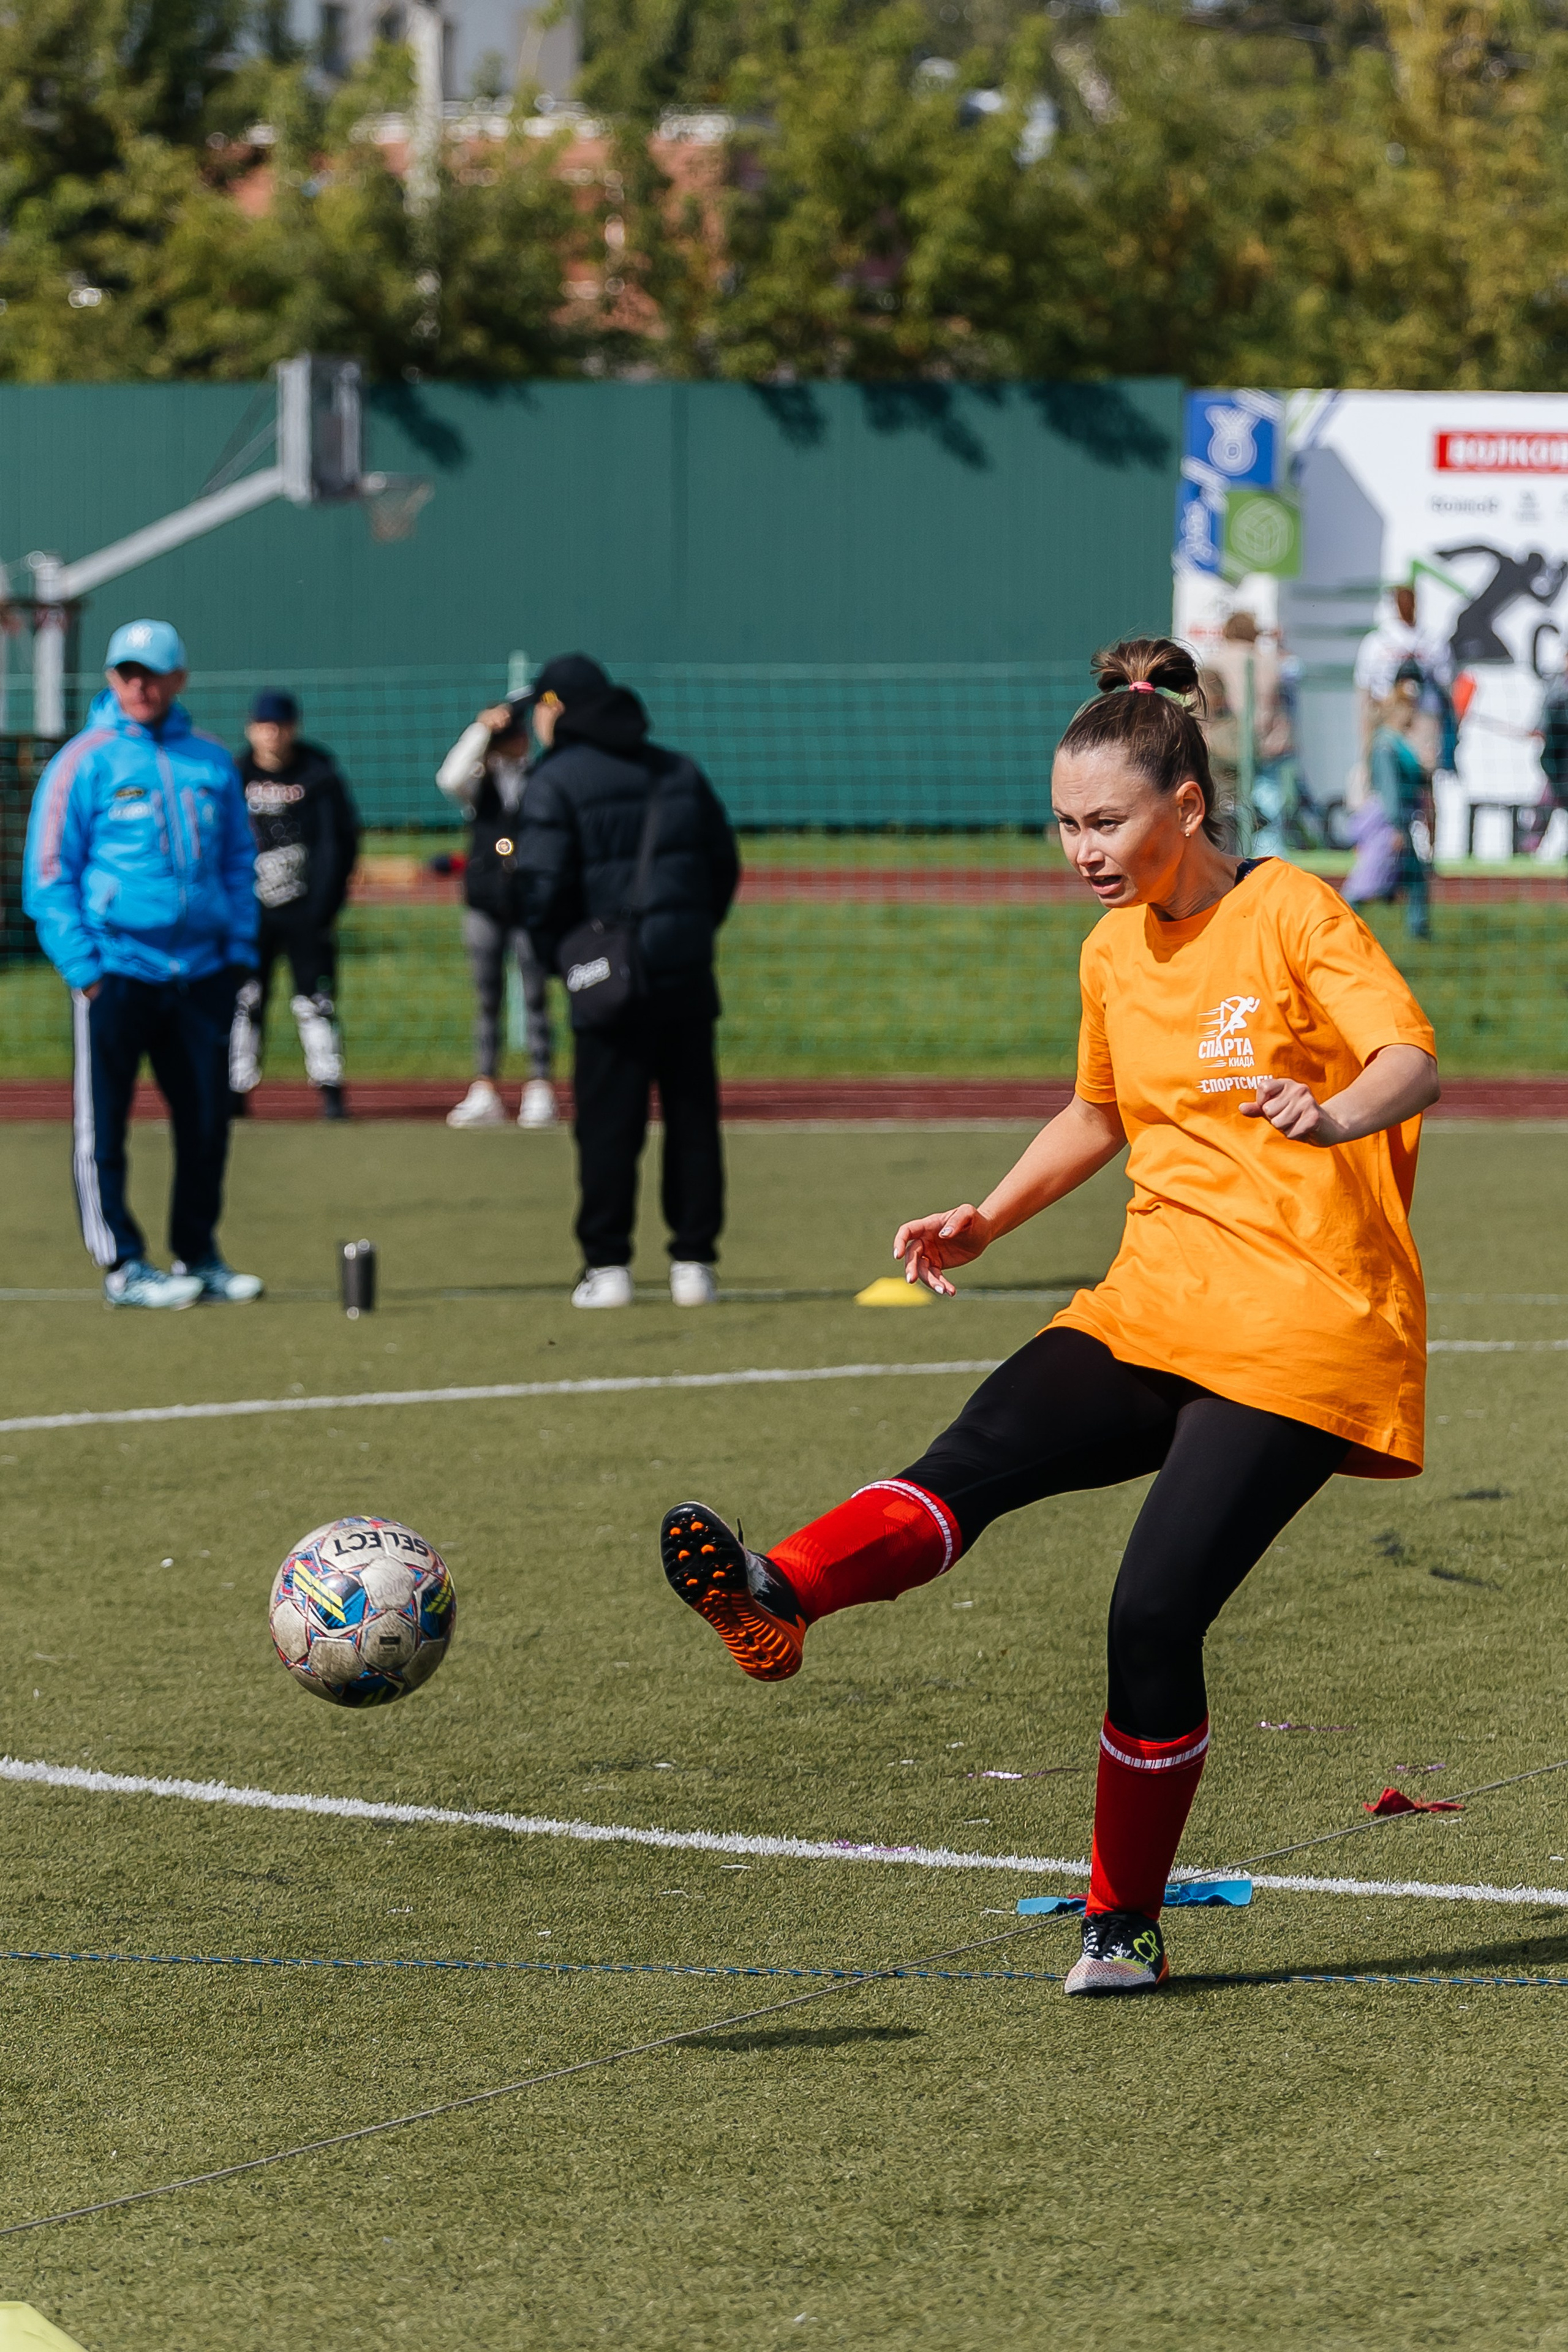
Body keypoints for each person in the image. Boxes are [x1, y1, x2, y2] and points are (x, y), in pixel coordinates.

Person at [657, 636, 1438, 1996]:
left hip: (1306, 1323)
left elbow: (1407, 1058)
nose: (1078, 847)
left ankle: (1121, 1923)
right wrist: (984, 1217)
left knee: (1147, 1617)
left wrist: (1334, 1110)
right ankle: (777, 1597)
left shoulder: (1290, 911)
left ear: (1182, 806)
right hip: (1153, 1302)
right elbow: (1096, 1112)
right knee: (971, 1459)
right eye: (1063, 823)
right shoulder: (1106, 951)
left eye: (1103, 821)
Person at [22, 619, 263, 1307]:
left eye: (153, 673)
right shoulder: (84, 761)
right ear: (110, 679)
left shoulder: (212, 761)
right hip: (115, 971)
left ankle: (199, 1255)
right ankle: (124, 1265)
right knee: (104, 1125)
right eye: (127, 673)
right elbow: (50, 873)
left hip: (202, 974)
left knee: (208, 1122)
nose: (140, 685)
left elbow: (239, 863)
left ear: (179, 679)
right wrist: (84, 968)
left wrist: (238, 952)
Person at [512, 653, 739, 1308]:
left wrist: (568, 954)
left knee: (608, 1123)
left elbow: (540, 887)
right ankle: (693, 1263)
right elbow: (721, 867)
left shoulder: (555, 780)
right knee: (692, 1120)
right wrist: (687, 934)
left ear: (558, 708)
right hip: (683, 971)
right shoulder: (678, 771)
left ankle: (607, 1265)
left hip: (604, 977)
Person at [228, 688, 360, 1121]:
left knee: (315, 1001)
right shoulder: (234, 775)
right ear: (250, 728)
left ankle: (330, 1087)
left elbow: (342, 840)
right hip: (249, 916)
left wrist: (326, 902)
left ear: (294, 727)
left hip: (307, 911)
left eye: (281, 725)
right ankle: (235, 1089)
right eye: (264, 726)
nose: (272, 734)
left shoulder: (319, 774)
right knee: (245, 1000)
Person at [437, 695, 558, 1131]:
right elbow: (448, 776)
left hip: (529, 903)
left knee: (536, 996)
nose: (519, 741)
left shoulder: (542, 778)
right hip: (485, 903)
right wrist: (482, 728)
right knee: (487, 999)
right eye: (509, 735)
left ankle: (540, 1085)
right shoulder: (478, 780)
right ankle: (486, 1086)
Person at [1343, 663, 1433, 940]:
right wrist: (1396, 828)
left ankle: (1419, 931)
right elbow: (1391, 790)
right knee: (1369, 879)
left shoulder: (1395, 742)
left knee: (1415, 878)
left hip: (1399, 818)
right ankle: (1342, 920)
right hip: (1389, 821)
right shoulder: (1386, 746)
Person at [1354, 584, 1454, 775]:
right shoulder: (1377, 642)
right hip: (1387, 717)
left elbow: (1446, 684)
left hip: (1422, 717)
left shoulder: (1432, 641)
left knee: (1424, 770)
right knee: (1385, 769)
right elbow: (1364, 692)